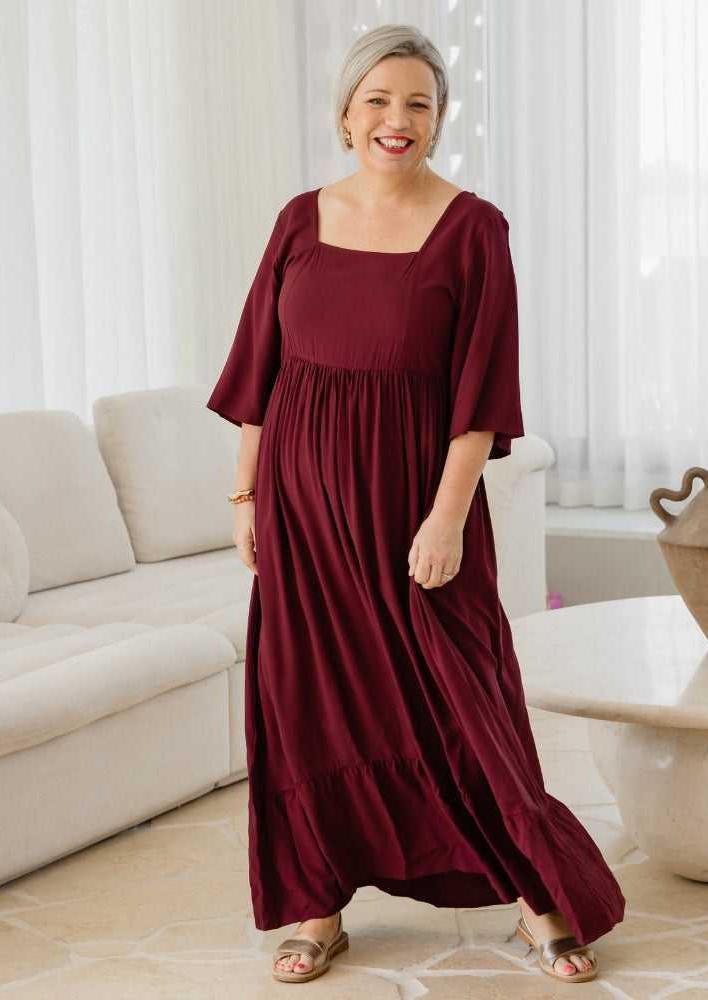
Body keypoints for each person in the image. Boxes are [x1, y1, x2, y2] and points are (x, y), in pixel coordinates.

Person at [208, 23, 625, 986]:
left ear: (439, 120)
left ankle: (537, 898)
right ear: (347, 112)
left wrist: (446, 517)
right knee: (312, 698)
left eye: (419, 105)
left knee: (460, 694)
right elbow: (260, 371)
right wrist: (244, 494)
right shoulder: (300, 219)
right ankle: (320, 905)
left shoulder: (472, 225)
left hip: (415, 502)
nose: (396, 121)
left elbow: (481, 392)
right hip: (304, 507)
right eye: (378, 102)